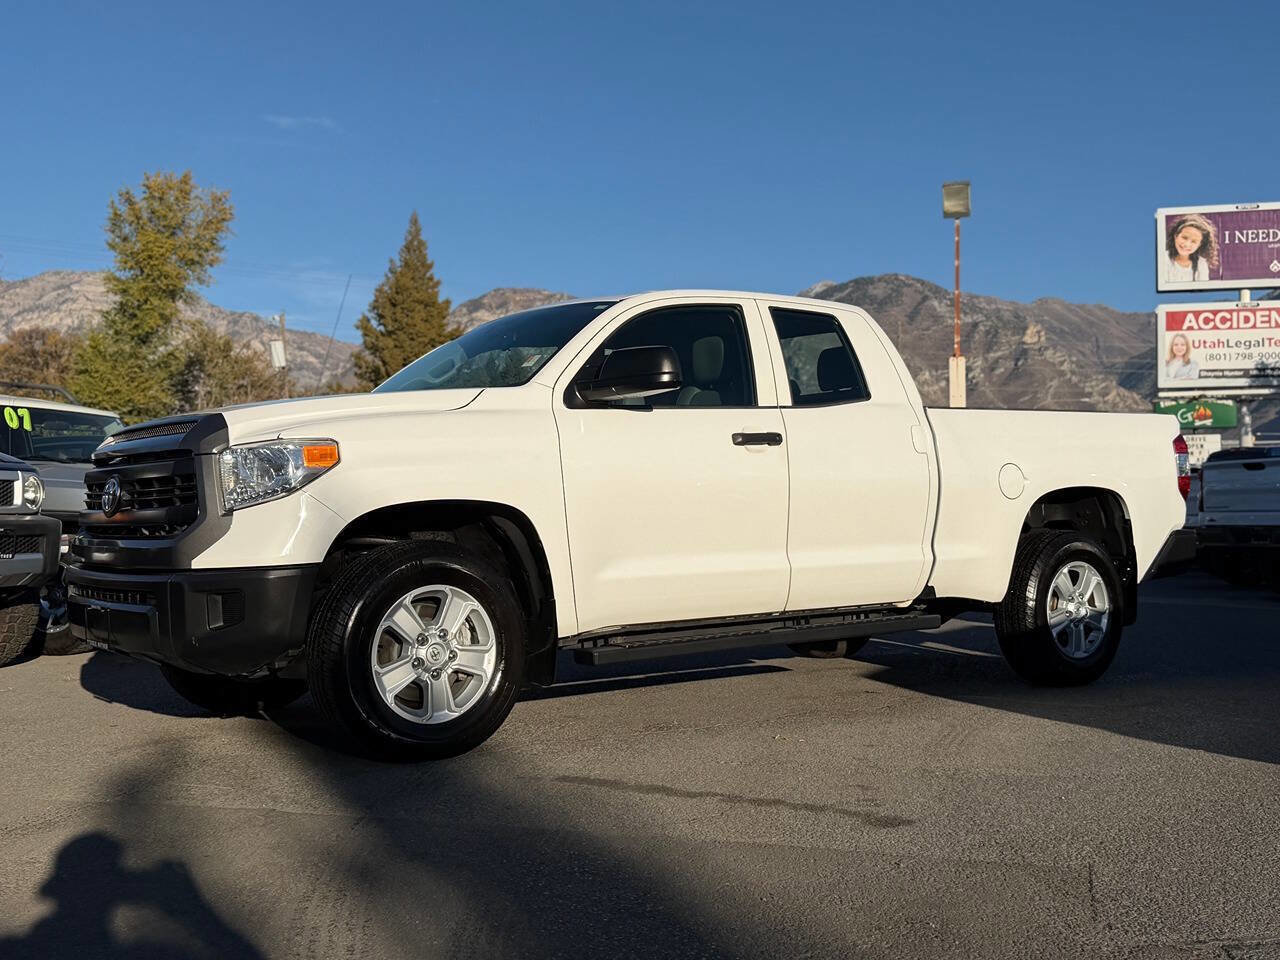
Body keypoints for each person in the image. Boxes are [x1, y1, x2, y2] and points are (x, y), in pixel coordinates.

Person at [1164, 213, 1219, 283]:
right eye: (1184, 237)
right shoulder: (1164, 259)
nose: (1187, 244)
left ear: (1199, 245)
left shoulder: (1201, 264)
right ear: (1176, 236)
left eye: (1194, 241)